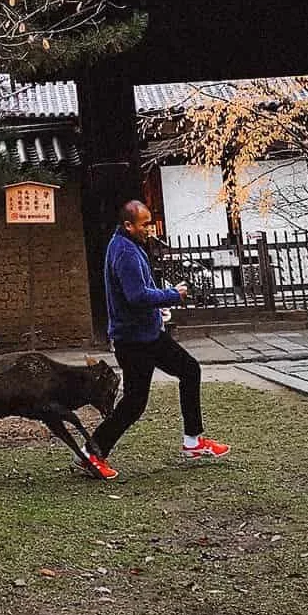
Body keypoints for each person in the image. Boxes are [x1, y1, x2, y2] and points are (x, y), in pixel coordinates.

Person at [80, 199, 229, 478]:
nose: (149, 229)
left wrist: (160, 303)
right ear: (128, 225)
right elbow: (136, 297)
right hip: (134, 340)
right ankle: (92, 451)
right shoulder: (124, 251)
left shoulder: (129, 245)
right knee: (134, 403)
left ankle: (193, 441)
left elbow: (140, 290)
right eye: (144, 224)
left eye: (150, 223)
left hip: (147, 334)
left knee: (189, 369)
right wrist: (172, 294)